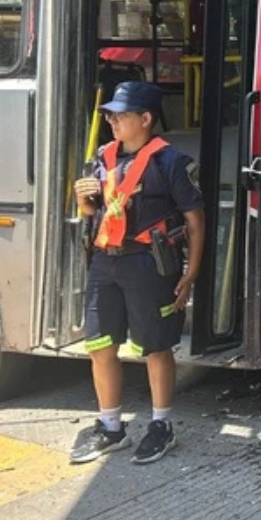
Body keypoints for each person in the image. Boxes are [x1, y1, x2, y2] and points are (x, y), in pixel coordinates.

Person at [70, 81, 205, 465]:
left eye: (121, 114)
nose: (112, 120)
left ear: (145, 119)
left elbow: (196, 220)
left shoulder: (171, 162)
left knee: (156, 347)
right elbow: (93, 214)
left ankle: (162, 425)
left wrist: (190, 273)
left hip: (148, 264)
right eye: (110, 114)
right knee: (100, 345)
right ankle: (111, 427)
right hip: (104, 261)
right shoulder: (103, 156)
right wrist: (84, 203)